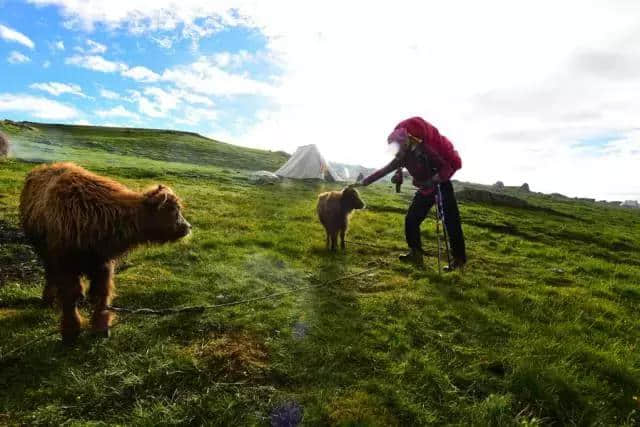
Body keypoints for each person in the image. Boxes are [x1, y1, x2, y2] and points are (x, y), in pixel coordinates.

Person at [355, 117, 466, 270]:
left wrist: (434, 179)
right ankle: (415, 254)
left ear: (405, 142)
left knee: (451, 221)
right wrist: (364, 182)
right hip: (425, 189)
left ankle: (459, 260)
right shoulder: (403, 156)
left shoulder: (427, 149)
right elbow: (384, 170)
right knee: (411, 219)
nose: (397, 152)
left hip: (441, 185)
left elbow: (446, 167)